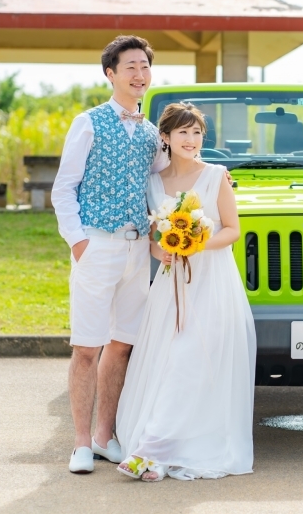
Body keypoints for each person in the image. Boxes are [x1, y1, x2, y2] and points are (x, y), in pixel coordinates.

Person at [114, 103, 256, 482]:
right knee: (167, 363)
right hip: (171, 283)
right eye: (183, 133)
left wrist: (196, 244)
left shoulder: (215, 176)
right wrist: (162, 250)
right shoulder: (153, 183)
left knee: (188, 362)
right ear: (165, 137)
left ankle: (148, 450)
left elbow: (231, 229)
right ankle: (158, 458)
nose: (191, 140)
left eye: (197, 133)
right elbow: (153, 236)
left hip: (212, 282)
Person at [51, 35, 169, 474]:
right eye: (131, 67)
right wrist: (78, 242)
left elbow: (165, 183)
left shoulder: (152, 133)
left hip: (138, 250)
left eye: (145, 67)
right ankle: (80, 443)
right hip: (96, 245)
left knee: (122, 346)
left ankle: (105, 436)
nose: (140, 75)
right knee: (87, 347)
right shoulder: (89, 122)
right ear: (111, 74)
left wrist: (215, 176)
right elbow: (64, 187)